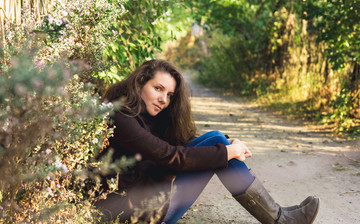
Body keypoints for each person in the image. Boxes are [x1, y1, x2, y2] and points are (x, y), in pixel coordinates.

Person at [94, 59, 320, 224]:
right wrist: (228, 152)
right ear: (140, 82)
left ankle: (278, 215)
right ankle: (280, 220)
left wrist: (225, 144)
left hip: (147, 204)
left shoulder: (142, 116)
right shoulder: (121, 118)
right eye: (158, 89)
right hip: (139, 215)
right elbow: (172, 157)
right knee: (219, 146)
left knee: (215, 138)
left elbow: (177, 148)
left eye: (170, 95)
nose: (164, 99)